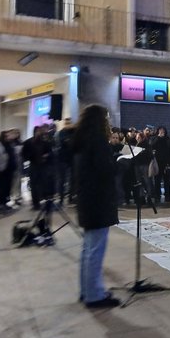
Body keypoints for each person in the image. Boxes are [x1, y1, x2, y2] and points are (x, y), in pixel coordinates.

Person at [72, 105, 120, 308]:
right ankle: (94, 295)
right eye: (106, 118)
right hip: (98, 201)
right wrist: (121, 164)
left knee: (88, 248)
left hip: (86, 200)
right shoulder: (97, 141)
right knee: (95, 250)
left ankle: (87, 290)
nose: (108, 121)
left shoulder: (80, 140)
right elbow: (104, 170)